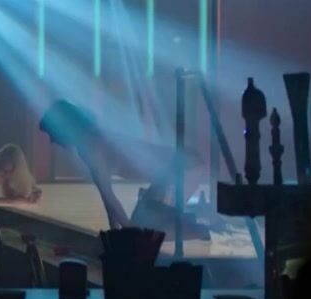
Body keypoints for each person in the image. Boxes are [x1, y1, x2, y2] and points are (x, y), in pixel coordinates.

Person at [39, 99, 208, 238]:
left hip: (185, 169)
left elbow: (109, 198)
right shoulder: (90, 142)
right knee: (140, 225)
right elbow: (108, 200)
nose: (52, 140)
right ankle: (188, 219)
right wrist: (116, 233)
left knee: (147, 233)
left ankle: (202, 228)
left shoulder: (92, 147)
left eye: (51, 133)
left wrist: (126, 235)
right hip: (173, 172)